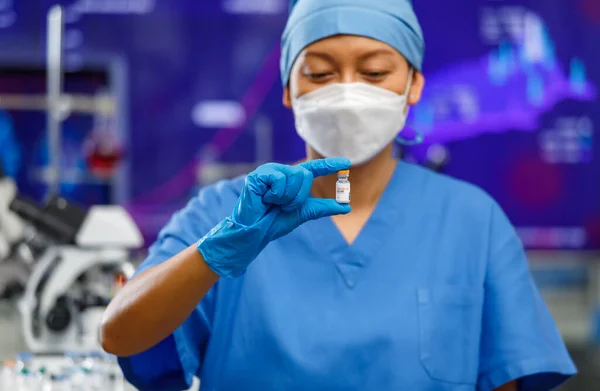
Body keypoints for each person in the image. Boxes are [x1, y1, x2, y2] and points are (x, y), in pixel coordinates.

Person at [101, 0, 577, 390]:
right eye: (321, 74)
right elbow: (120, 333)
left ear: (413, 86)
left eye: (373, 73)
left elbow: (505, 379)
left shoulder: (471, 220)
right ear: (288, 89)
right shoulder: (226, 212)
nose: (348, 93)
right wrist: (213, 253)